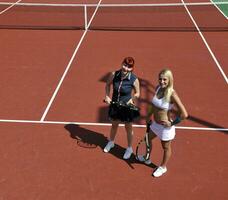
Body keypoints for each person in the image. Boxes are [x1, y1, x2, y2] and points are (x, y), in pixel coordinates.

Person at [144, 68, 188, 177]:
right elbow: (153, 105)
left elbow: (184, 114)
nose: (162, 81)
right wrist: (148, 116)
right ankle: (147, 157)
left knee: (165, 147)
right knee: (148, 139)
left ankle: (163, 167)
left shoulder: (172, 94)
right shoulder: (158, 88)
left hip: (165, 128)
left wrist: (171, 123)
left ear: (169, 80)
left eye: (165, 79)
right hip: (155, 124)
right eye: (160, 79)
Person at [103, 57, 140, 159]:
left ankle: (129, 148)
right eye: (125, 65)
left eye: (129, 67)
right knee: (114, 125)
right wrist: (107, 96)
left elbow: (138, 93)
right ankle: (111, 142)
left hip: (126, 107)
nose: (126, 68)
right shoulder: (114, 74)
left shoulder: (134, 79)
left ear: (132, 68)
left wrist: (131, 100)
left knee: (128, 128)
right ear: (122, 63)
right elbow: (107, 85)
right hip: (115, 105)